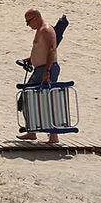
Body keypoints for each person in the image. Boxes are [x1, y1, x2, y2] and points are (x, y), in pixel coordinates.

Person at [17, 8, 61, 144]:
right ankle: (32, 131)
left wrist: (47, 71)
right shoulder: (40, 30)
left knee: (45, 99)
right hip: (40, 68)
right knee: (29, 97)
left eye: (28, 22)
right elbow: (41, 50)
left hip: (46, 69)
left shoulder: (46, 30)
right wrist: (30, 59)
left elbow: (52, 51)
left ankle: (53, 136)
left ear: (35, 18)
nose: (28, 25)